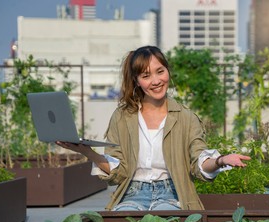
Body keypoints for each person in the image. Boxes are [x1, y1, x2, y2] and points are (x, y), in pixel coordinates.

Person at [56, 45, 250, 211]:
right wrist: (88, 153)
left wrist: (220, 160)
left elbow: (198, 162)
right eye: (146, 75)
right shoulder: (122, 117)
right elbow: (118, 174)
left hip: (173, 194)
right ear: (137, 81)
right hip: (131, 194)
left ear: (168, 72)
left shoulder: (185, 117)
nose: (156, 81)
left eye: (160, 71)